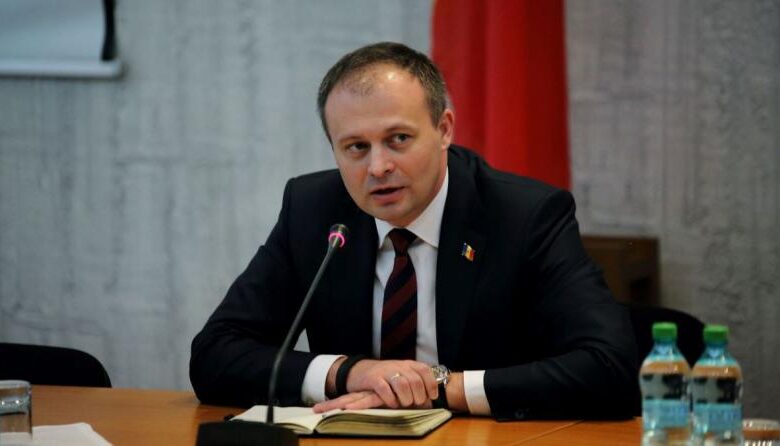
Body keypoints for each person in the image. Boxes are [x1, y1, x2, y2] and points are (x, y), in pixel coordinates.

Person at [190, 42, 638, 420]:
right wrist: (348, 373)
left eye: (398, 139)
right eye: (356, 147)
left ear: (444, 130)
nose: (378, 167)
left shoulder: (524, 215)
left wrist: (438, 388)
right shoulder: (314, 212)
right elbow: (215, 355)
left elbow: (611, 366)